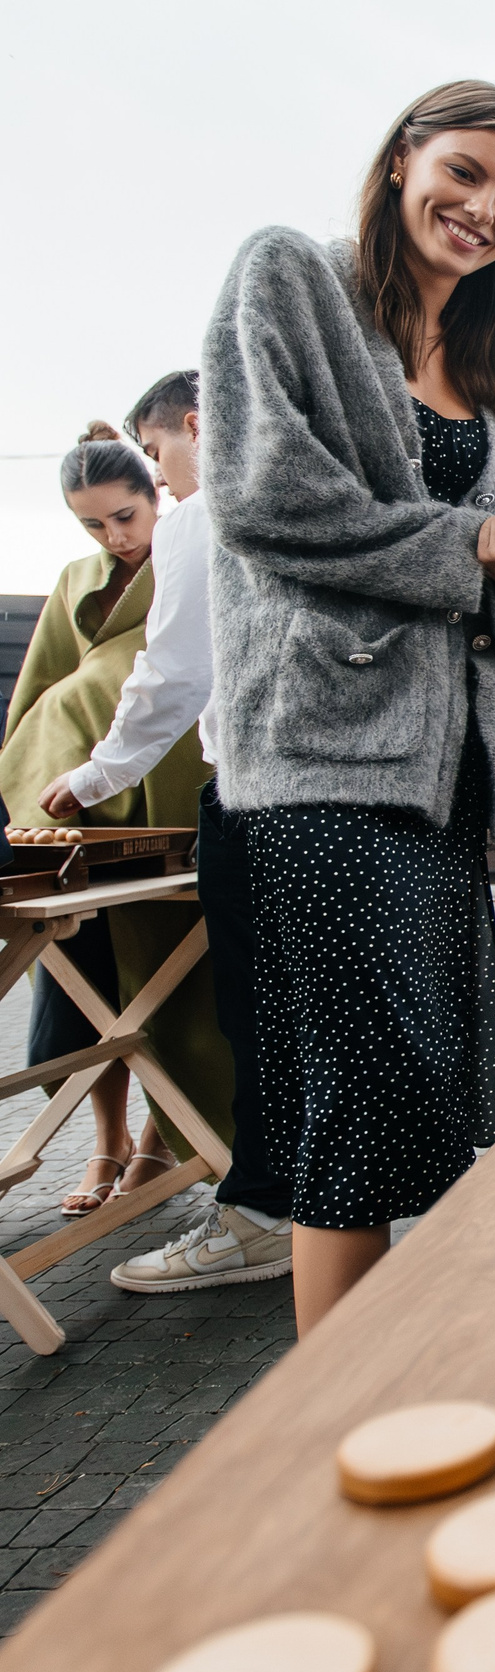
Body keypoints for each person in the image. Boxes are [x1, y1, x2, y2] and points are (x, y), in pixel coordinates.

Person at [198, 79, 495, 1333]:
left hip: (447, 776)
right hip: (319, 758)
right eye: (464, 173)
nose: (481, 210)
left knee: (436, 1089)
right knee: (365, 1096)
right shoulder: (292, 281)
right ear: (404, 156)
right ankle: (330, 1417)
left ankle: (406, 1374)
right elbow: (263, 499)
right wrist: (470, 552)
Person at [23, 375, 297, 1291]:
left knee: (252, 1015)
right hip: (324, 791)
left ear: (190, 427)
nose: (166, 480)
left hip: (236, 793)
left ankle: (263, 1213)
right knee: (298, 1013)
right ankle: (302, 1201)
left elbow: (173, 675)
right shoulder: (305, 495)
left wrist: (97, 775)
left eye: (160, 462)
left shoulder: (199, 518)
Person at [0, 424, 228, 1217]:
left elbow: (186, 677)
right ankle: (108, 1135)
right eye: (94, 525)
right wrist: (38, 777)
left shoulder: (196, 555)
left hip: (166, 799)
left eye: (126, 515)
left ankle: (169, 1136)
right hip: (77, 813)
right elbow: (38, 693)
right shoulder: (75, 582)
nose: (115, 536)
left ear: (157, 492)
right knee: (81, 968)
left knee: (172, 974)